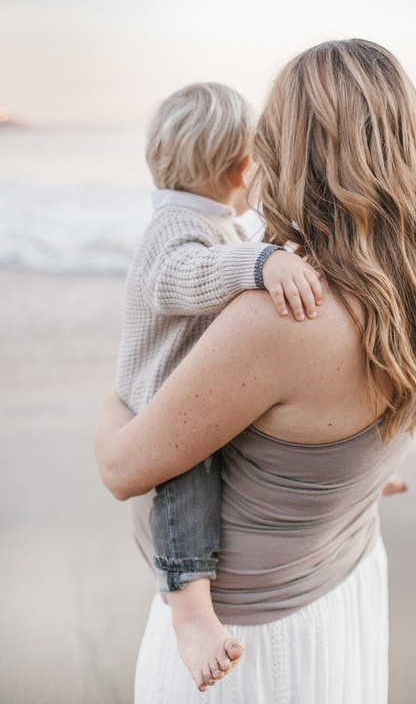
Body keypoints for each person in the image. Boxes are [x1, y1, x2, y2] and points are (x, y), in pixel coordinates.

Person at [96, 39, 416, 703]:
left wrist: (123, 387)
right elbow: (334, 437)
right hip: (343, 590)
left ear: (296, 152)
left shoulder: (280, 318)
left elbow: (121, 467)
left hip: (249, 649)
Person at [116, 81, 324, 691]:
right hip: (161, 398)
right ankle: (189, 609)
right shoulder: (175, 228)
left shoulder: (217, 225)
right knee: (189, 478)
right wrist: (262, 264)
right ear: (243, 167)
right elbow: (183, 278)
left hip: (197, 387)